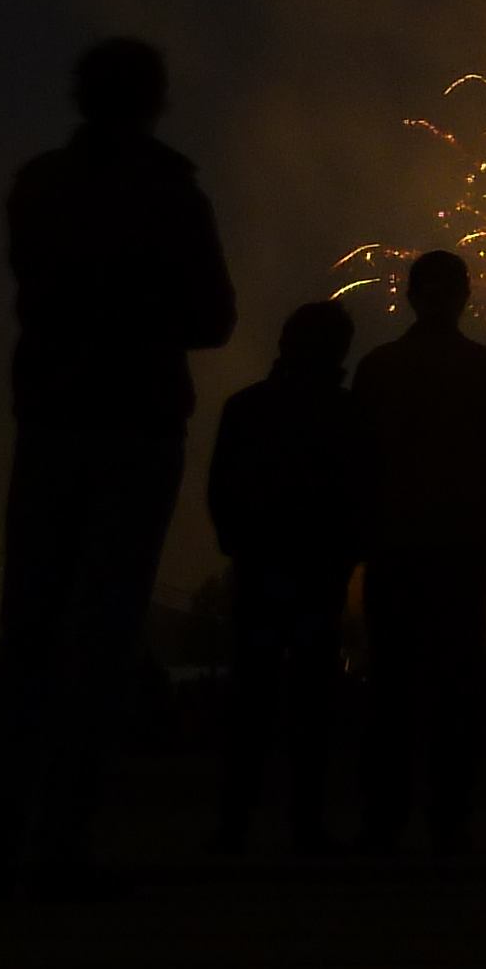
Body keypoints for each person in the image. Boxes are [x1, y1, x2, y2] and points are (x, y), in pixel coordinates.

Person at [0, 34, 236, 891]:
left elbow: (33, 280)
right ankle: (62, 838)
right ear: (154, 100)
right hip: (135, 425)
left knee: (30, 623)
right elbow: (213, 318)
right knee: (102, 631)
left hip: (49, 418)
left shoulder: (38, 185)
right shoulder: (171, 193)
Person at [353, 250, 486, 851]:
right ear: (465, 296)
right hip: (459, 540)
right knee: (456, 677)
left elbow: (359, 459)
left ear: (408, 295)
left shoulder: (377, 368)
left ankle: (383, 814)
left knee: (390, 677)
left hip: (394, 539)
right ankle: (450, 814)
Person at [206, 299, 368, 853]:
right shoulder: (347, 415)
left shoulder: (247, 408)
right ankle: (304, 822)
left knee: (250, 697)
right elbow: (358, 497)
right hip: (317, 573)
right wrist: (345, 555)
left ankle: (233, 823)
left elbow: (221, 489)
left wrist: (241, 547)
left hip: (261, 567)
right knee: (311, 703)